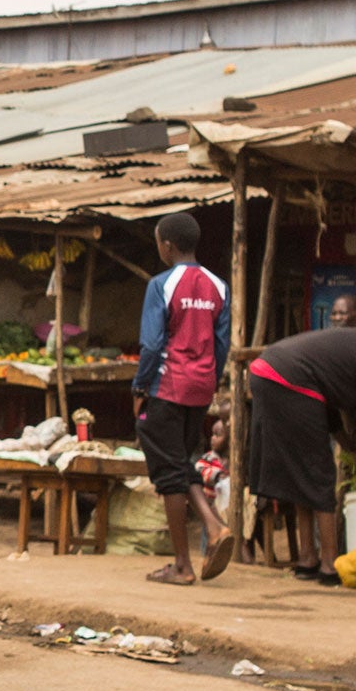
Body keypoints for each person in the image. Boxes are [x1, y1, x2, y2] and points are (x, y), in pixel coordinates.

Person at [133, 212, 232, 584]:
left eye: (158, 241)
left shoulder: (161, 284)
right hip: (200, 388)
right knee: (180, 461)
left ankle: (183, 565)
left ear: (167, 245)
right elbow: (221, 346)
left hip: (167, 385)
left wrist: (140, 388)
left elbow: (153, 343)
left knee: (168, 474)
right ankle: (212, 531)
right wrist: (207, 381)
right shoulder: (218, 286)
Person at [246, 323, 356, 585]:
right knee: (317, 470)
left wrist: (347, 442)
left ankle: (307, 558)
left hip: (270, 370)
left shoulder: (342, 351)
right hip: (288, 377)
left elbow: (332, 406)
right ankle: (329, 563)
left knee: (300, 468)